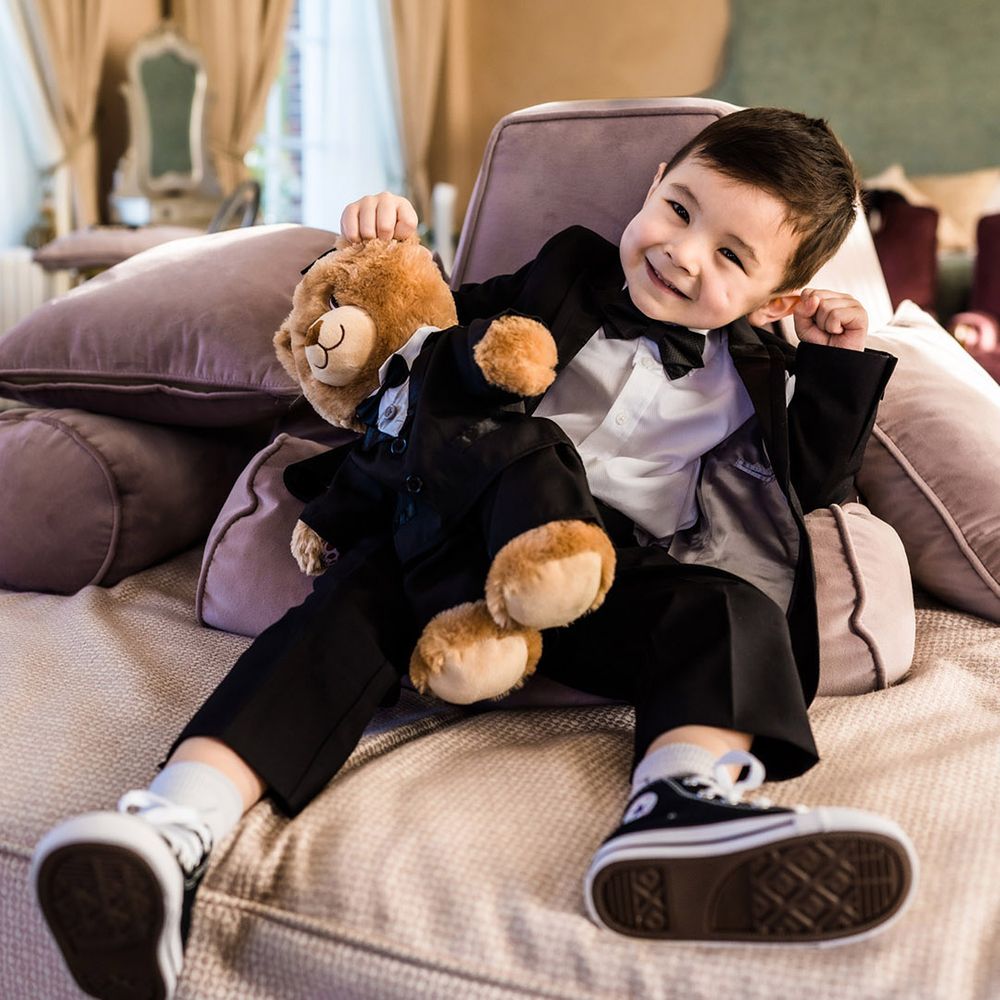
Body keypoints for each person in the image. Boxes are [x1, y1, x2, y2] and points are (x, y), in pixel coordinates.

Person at [31, 107, 917, 1000]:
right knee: (353, 608)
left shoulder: (761, 365)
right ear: (651, 187)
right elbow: (429, 336)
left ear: (773, 298)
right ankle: (177, 827)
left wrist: (838, 363)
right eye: (681, 211)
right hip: (455, 539)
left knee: (726, 606)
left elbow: (812, 485)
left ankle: (679, 803)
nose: (686, 253)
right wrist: (381, 250)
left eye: (733, 256)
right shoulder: (567, 270)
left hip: (603, 587)